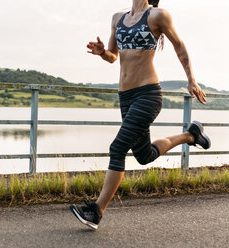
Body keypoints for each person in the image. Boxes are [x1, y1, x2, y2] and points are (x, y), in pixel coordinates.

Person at [70, 0, 211, 230]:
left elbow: (180, 46)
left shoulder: (157, 16)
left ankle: (96, 211)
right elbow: (114, 55)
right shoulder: (117, 18)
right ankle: (191, 135)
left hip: (148, 94)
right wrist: (102, 52)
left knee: (117, 148)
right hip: (125, 97)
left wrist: (191, 80)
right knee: (144, 155)